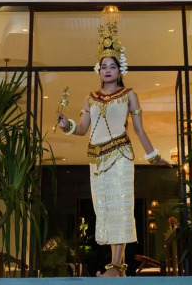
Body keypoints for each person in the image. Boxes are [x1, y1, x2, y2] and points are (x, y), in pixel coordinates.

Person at [56, 20, 168, 277]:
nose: (107, 70)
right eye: (104, 66)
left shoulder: (129, 95)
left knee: (121, 206)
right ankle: (116, 266)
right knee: (103, 209)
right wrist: (66, 125)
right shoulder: (90, 98)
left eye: (112, 66)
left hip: (120, 156)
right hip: (96, 159)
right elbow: (82, 128)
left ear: (120, 70)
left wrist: (154, 157)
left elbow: (139, 130)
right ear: (99, 70)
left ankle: (117, 265)